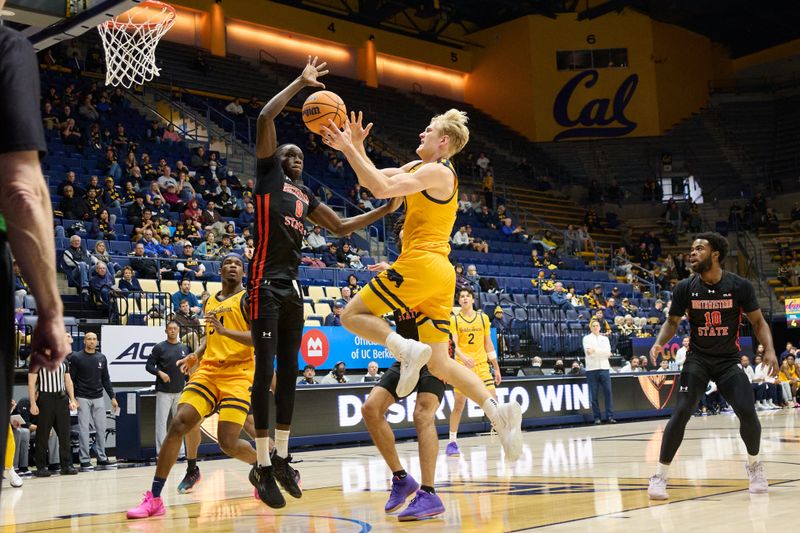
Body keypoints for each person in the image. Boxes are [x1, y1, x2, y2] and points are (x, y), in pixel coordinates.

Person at [321, 107, 523, 463]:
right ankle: (497, 411)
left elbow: (381, 187)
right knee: (442, 364)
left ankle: (403, 349)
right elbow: (374, 179)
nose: (420, 135)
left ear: (443, 141)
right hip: (438, 273)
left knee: (351, 314)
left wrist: (350, 148)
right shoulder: (419, 170)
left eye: (427, 131)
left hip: (423, 264)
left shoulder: (438, 172)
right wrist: (351, 146)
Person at [247, 57, 403, 507]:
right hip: (263, 283)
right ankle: (260, 465)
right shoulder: (267, 176)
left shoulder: (304, 193)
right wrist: (301, 81)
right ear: (274, 159)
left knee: (292, 373)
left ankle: (281, 457)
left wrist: (383, 209)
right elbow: (264, 117)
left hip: (291, 287)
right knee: (265, 371)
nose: (293, 158)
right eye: (287, 154)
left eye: (298, 155)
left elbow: (338, 227)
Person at [127, 254, 266, 518]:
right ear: (220, 269)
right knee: (179, 423)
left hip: (238, 374)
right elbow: (210, 337)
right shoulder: (210, 301)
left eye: (238, 263)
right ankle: (155, 498)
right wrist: (197, 354)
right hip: (209, 372)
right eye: (228, 263)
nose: (233, 266)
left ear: (243, 271)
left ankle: (262, 466)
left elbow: (258, 339)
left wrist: (225, 334)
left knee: (227, 442)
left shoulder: (248, 300)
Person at [647, 233, 778, 500]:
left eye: (698, 249)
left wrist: (771, 350)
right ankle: (660, 476)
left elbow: (758, 322)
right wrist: (659, 342)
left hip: (728, 361)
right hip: (697, 359)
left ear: (715, 253)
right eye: (691, 249)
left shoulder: (739, 286)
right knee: (682, 410)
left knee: (747, 411)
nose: (691, 254)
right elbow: (672, 322)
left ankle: (754, 467)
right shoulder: (685, 287)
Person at [361, 307, 446, 521]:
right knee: (370, 408)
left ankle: (428, 492)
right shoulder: (393, 281)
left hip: (435, 354)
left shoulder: (422, 275)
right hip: (407, 356)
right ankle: (401, 478)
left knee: (422, 414)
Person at [446, 287, 501, 456]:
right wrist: (463, 357)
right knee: (459, 404)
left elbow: (488, 344)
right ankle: (452, 442)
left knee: (494, 401)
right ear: (459, 300)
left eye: (467, 296)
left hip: (482, 365)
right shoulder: (454, 320)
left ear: (473, 299)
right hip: (462, 366)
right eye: (461, 296)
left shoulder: (483, 318)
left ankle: (504, 435)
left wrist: (496, 367)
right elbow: (453, 344)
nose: (464, 298)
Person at [27, 331, 78, 476]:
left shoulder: (63, 359)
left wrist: (72, 399)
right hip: (45, 399)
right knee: (42, 435)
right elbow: (31, 384)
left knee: (64, 434)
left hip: (61, 399)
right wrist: (33, 403)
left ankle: (66, 465)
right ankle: (41, 467)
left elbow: (68, 381)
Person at [69, 332, 118, 472]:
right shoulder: (76, 357)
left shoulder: (101, 357)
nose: (91, 341)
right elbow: (70, 379)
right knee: (84, 430)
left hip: (98, 397)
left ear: (97, 341)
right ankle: (84, 460)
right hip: (82, 398)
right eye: (89, 339)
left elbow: (106, 379)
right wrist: (73, 398)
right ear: (84, 341)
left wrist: (112, 397)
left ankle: (102, 458)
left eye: (94, 339)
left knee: (101, 429)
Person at [146, 321, 190, 457]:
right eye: (170, 329)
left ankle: (181, 451)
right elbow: (149, 366)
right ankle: (162, 452)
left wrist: (189, 382)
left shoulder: (184, 348)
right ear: (166, 331)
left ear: (178, 331)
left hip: (180, 391)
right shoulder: (159, 347)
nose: (172, 331)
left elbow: (188, 369)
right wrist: (160, 373)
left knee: (179, 423)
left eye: (175, 329)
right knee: (161, 423)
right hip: (164, 391)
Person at [583, 319, 616, 424]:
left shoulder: (605, 339)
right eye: (593, 326)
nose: (595, 327)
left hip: (604, 368)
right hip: (591, 369)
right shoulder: (586, 338)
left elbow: (608, 353)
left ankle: (610, 416)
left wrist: (595, 350)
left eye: (597, 325)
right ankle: (597, 418)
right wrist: (602, 352)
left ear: (600, 327)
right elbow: (588, 352)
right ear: (590, 327)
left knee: (608, 393)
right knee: (593, 395)